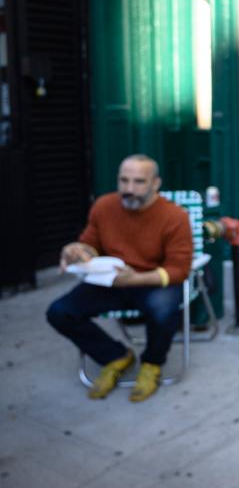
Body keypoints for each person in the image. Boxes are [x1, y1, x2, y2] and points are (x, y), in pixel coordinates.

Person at [46, 154, 193, 402]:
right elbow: (90, 245)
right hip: (111, 281)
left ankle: (152, 364)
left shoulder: (174, 216)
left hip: (151, 281)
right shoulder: (104, 206)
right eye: (124, 181)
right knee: (59, 312)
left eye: (138, 182)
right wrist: (77, 251)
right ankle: (115, 356)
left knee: (164, 308)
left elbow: (179, 269)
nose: (129, 189)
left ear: (155, 184)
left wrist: (135, 279)